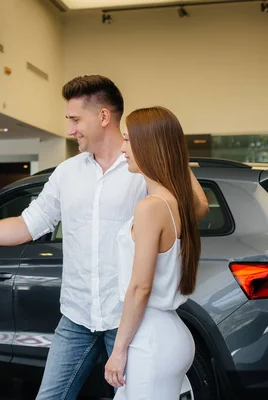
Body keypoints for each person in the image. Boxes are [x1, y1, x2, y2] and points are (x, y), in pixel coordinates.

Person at [0, 75, 209, 399]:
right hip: (77, 314)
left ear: (103, 117)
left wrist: (166, 150)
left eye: (75, 120)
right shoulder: (67, 173)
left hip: (128, 318)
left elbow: (194, 209)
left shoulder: (140, 170)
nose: (70, 130)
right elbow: (28, 224)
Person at [104, 106, 201, 399]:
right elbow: (203, 205)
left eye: (128, 139)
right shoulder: (177, 204)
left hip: (150, 339)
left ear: (150, 146)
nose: (123, 148)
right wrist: (175, 154)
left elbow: (140, 287)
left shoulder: (151, 207)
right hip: (168, 333)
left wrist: (118, 350)